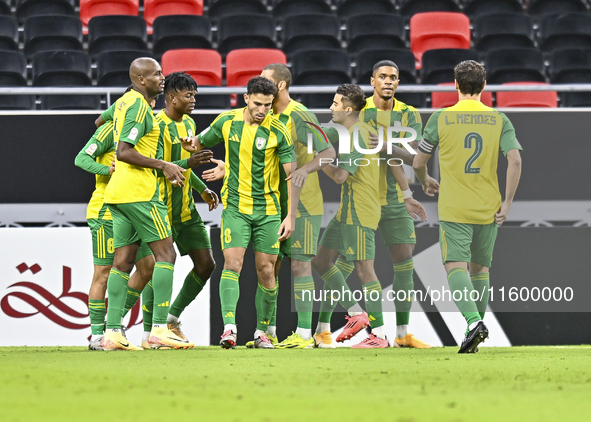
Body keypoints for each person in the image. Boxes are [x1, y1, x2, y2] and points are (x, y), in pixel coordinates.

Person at [413, 60, 522, 353]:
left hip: (455, 207)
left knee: (454, 266)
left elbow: (418, 162)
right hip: (489, 207)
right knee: (481, 269)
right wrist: (508, 201)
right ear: (484, 86)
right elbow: (515, 160)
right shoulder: (499, 119)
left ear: (456, 84)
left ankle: (473, 323)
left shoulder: (441, 118)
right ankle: (474, 330)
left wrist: (425, 181)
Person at [325, 60, 436, 348]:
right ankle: (329, 328)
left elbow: (411, 158)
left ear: (398, 83)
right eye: (383, 77)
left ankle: (400, 334)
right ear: (372, 81)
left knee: (404, 264)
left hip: (395, 201)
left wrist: (410, 190)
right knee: (346, 263)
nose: (388, 81)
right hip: (365, 198)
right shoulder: (362, 111)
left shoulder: (409, 114)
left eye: (394, 77)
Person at [182, 76, 296, 349]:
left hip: (268, 211)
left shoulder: (278, 131)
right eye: (257, 104)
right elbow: (198, 142)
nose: (262, 110)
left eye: (268, 105)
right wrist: (189, 142)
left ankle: (262, 333)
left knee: (267, 270)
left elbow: (293, 176)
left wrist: (290, 215)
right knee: (232, 265)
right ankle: (229, 329)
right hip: (235, 208)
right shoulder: (226, 121)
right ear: (245, 98)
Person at [101, 57, 192, 351]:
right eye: (156, 74)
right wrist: (164, 164)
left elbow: (99, 121)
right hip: (140, 193)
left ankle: (113, 332)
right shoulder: (139, 105)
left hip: (117, 194)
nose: (162, 77)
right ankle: (159, 329)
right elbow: (125, 151)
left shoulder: (125, 102)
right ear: (141, 79)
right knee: (166, 255)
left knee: (123, 262)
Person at [139, 71, 219, 349]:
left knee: (206, 264)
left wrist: (201, 188)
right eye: (189, 95)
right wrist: (190, 163)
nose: (193, 99)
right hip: (160, 209)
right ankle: (151, 332)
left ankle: (170, 319)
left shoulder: (189, 123)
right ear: (171, 98)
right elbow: (159, 167)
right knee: (156, 269)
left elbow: (182, 163)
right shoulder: (155, 125)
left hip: (185, 211)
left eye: (194, 94)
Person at [74, 94, 155, 351]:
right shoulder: (110, 129)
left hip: (132, 208)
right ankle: (98, 335)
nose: (150, 106)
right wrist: (107, 171)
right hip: (105, 210)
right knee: (104, 272)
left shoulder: (144, 129)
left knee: (147, 268)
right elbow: (81, 158)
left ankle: (114, 323)